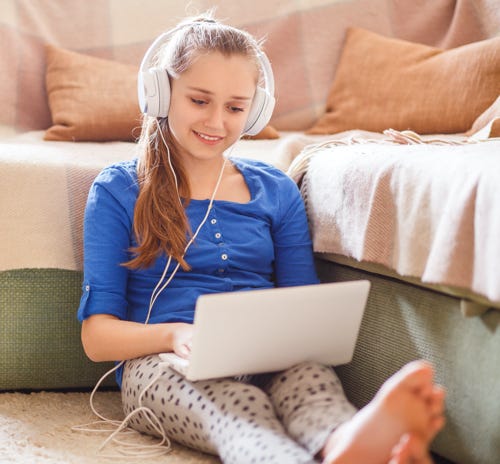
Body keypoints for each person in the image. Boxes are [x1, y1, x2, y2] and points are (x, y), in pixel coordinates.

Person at [77, 12, 445, 464]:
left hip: (270, 360)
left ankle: (343, 443)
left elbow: (302, 308)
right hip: (160, 367)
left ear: (255, 111)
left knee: (312, 383)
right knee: (240, 409)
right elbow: (97, 338)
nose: (217, 121)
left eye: (235, 107)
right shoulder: (118, 189)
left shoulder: (276, 189)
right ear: (160, 92)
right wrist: (175, 334)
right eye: (199, 100)